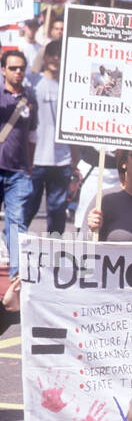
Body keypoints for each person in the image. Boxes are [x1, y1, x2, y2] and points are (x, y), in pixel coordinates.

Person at [27, 43, 75, 237]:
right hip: (36, 158)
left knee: (57, 213)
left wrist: (75, 156)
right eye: (52, 55)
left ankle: (53, 253)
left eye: (60, 55)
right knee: (28, 208)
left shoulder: (70, 85)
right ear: (45, 57)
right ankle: (12, 246)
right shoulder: (32, 81)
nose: (56, 58)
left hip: (62, 159)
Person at [0, 49, 38, 277]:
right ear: (3, 70)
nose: (18, 72)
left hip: (19, 173)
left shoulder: (30, 100)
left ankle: (16, 275)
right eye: (13, 68)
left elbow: (33, 136)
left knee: (17, 222)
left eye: (21, 68)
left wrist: (29, 166)